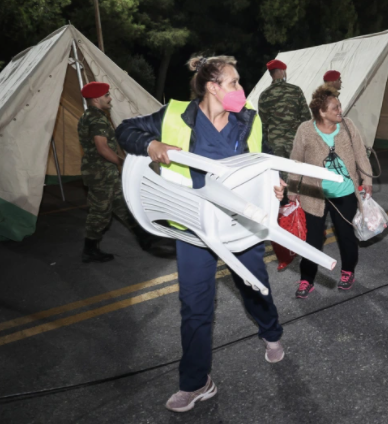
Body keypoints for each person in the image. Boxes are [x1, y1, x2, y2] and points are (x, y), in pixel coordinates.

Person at [115, 55, 286, 413]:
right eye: (235, 83)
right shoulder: (174, 117)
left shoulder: (249, 120)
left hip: (240, 225)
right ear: (212, 87)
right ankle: (195, 383)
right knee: (194, 307)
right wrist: (151, 145)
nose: (241, 89)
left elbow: (267, 160)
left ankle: (270, 330)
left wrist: (277, 185)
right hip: (194, 229)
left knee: (255, 288)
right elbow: (125, 130)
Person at [288, 85, 373, 299]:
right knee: (312, 241)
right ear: (321, 111)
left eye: (339, 105)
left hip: (344, 193)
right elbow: (296, 160)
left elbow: (360, 154)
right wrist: (292, 188)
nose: (340, 110)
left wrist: (367, 179)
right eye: (335, 107)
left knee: (346, 237)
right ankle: (307, 279)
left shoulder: (347, 125)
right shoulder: (305, 130)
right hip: (314, 195)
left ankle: (347, 272)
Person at [76, 81, 153, 263]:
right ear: (96, 99)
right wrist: (122, 162)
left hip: (103, 172)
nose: (109, 99)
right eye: (107, 96)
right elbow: (102, 148)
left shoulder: (88, 116)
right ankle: (90, 249)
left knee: (122, 204)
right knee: (100, 212)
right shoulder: (96, 118)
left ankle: (145, 238)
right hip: (100, 174)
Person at [257, 59, 311, 159]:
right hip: (294, 139)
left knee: (280, 172)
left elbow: (263, 123)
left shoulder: (264, 95)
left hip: (275, 142)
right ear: (282, 71)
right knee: (297, 170)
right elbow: (306, 116)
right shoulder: (295, 90)